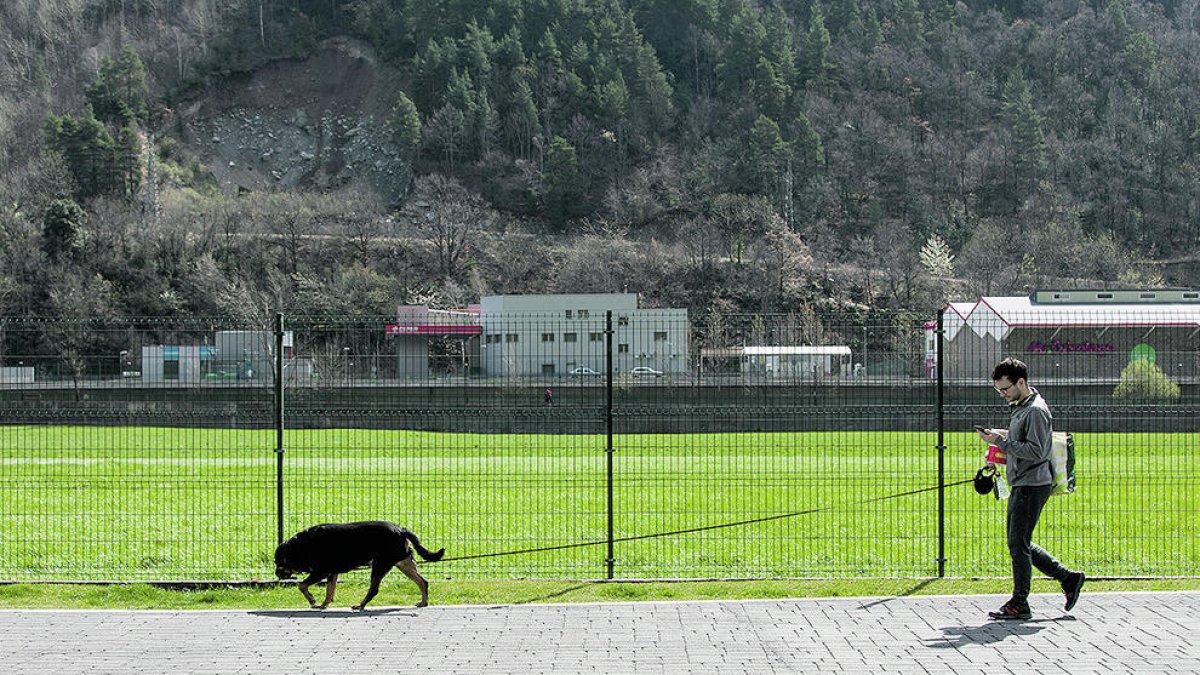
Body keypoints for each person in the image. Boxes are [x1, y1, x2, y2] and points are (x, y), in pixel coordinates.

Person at [978, 357, 1085, 620]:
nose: (1002, 394)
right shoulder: (1022, 405)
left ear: (1021, 382)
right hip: (1023, 481)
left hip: (1032, 483)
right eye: (999, 390)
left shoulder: (1035, 410)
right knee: (1019, 542)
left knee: (1018, 544)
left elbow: (1037, 451)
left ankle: (1020, 602)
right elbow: (1022, 441)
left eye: (1005, 389)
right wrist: (999, 440)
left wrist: (1001, 442)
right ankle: (1068, 579)